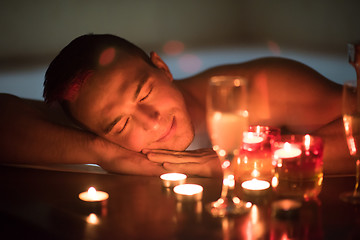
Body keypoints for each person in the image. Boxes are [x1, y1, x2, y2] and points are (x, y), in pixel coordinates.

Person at [0, 34, 353, 177]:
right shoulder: (90, 126)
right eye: (120, 125)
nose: (152, 122)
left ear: (163, 68)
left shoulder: (259, 88)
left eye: (144, 93)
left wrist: (249, 161)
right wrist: (102, 152)